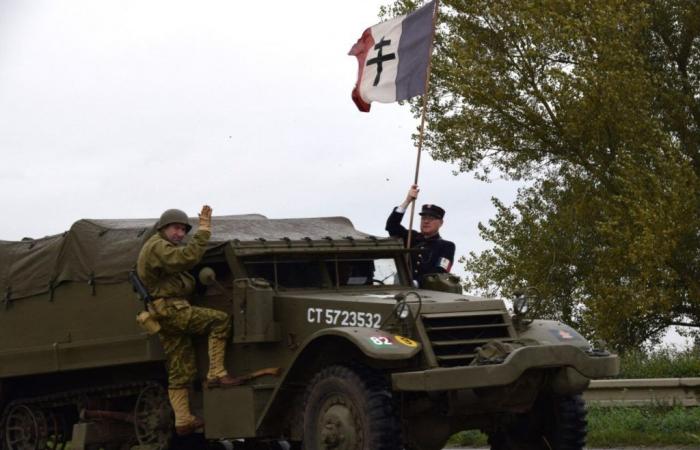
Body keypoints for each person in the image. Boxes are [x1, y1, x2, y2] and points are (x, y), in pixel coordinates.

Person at [136, 205, 240, 436]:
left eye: (184, 230)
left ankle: (183, 419)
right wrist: (203, 231)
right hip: (173, 311)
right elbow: (186, 257)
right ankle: (216, 372)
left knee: (180, 369)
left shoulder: (161, 247)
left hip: (164, 314)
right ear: (163, 228)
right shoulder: (158, 247)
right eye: (176, 228)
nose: (180, 234)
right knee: (220, 320)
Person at [386, 184, 455, 285]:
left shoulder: (446, 246)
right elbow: (391, 226)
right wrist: (407, 201)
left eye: (431, 219)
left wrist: (416, 283)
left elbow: (440, 272)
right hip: (402, 290)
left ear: (441, 223)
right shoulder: (411, 237)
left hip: (429, 293)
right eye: (423, 218)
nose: (426, 221)